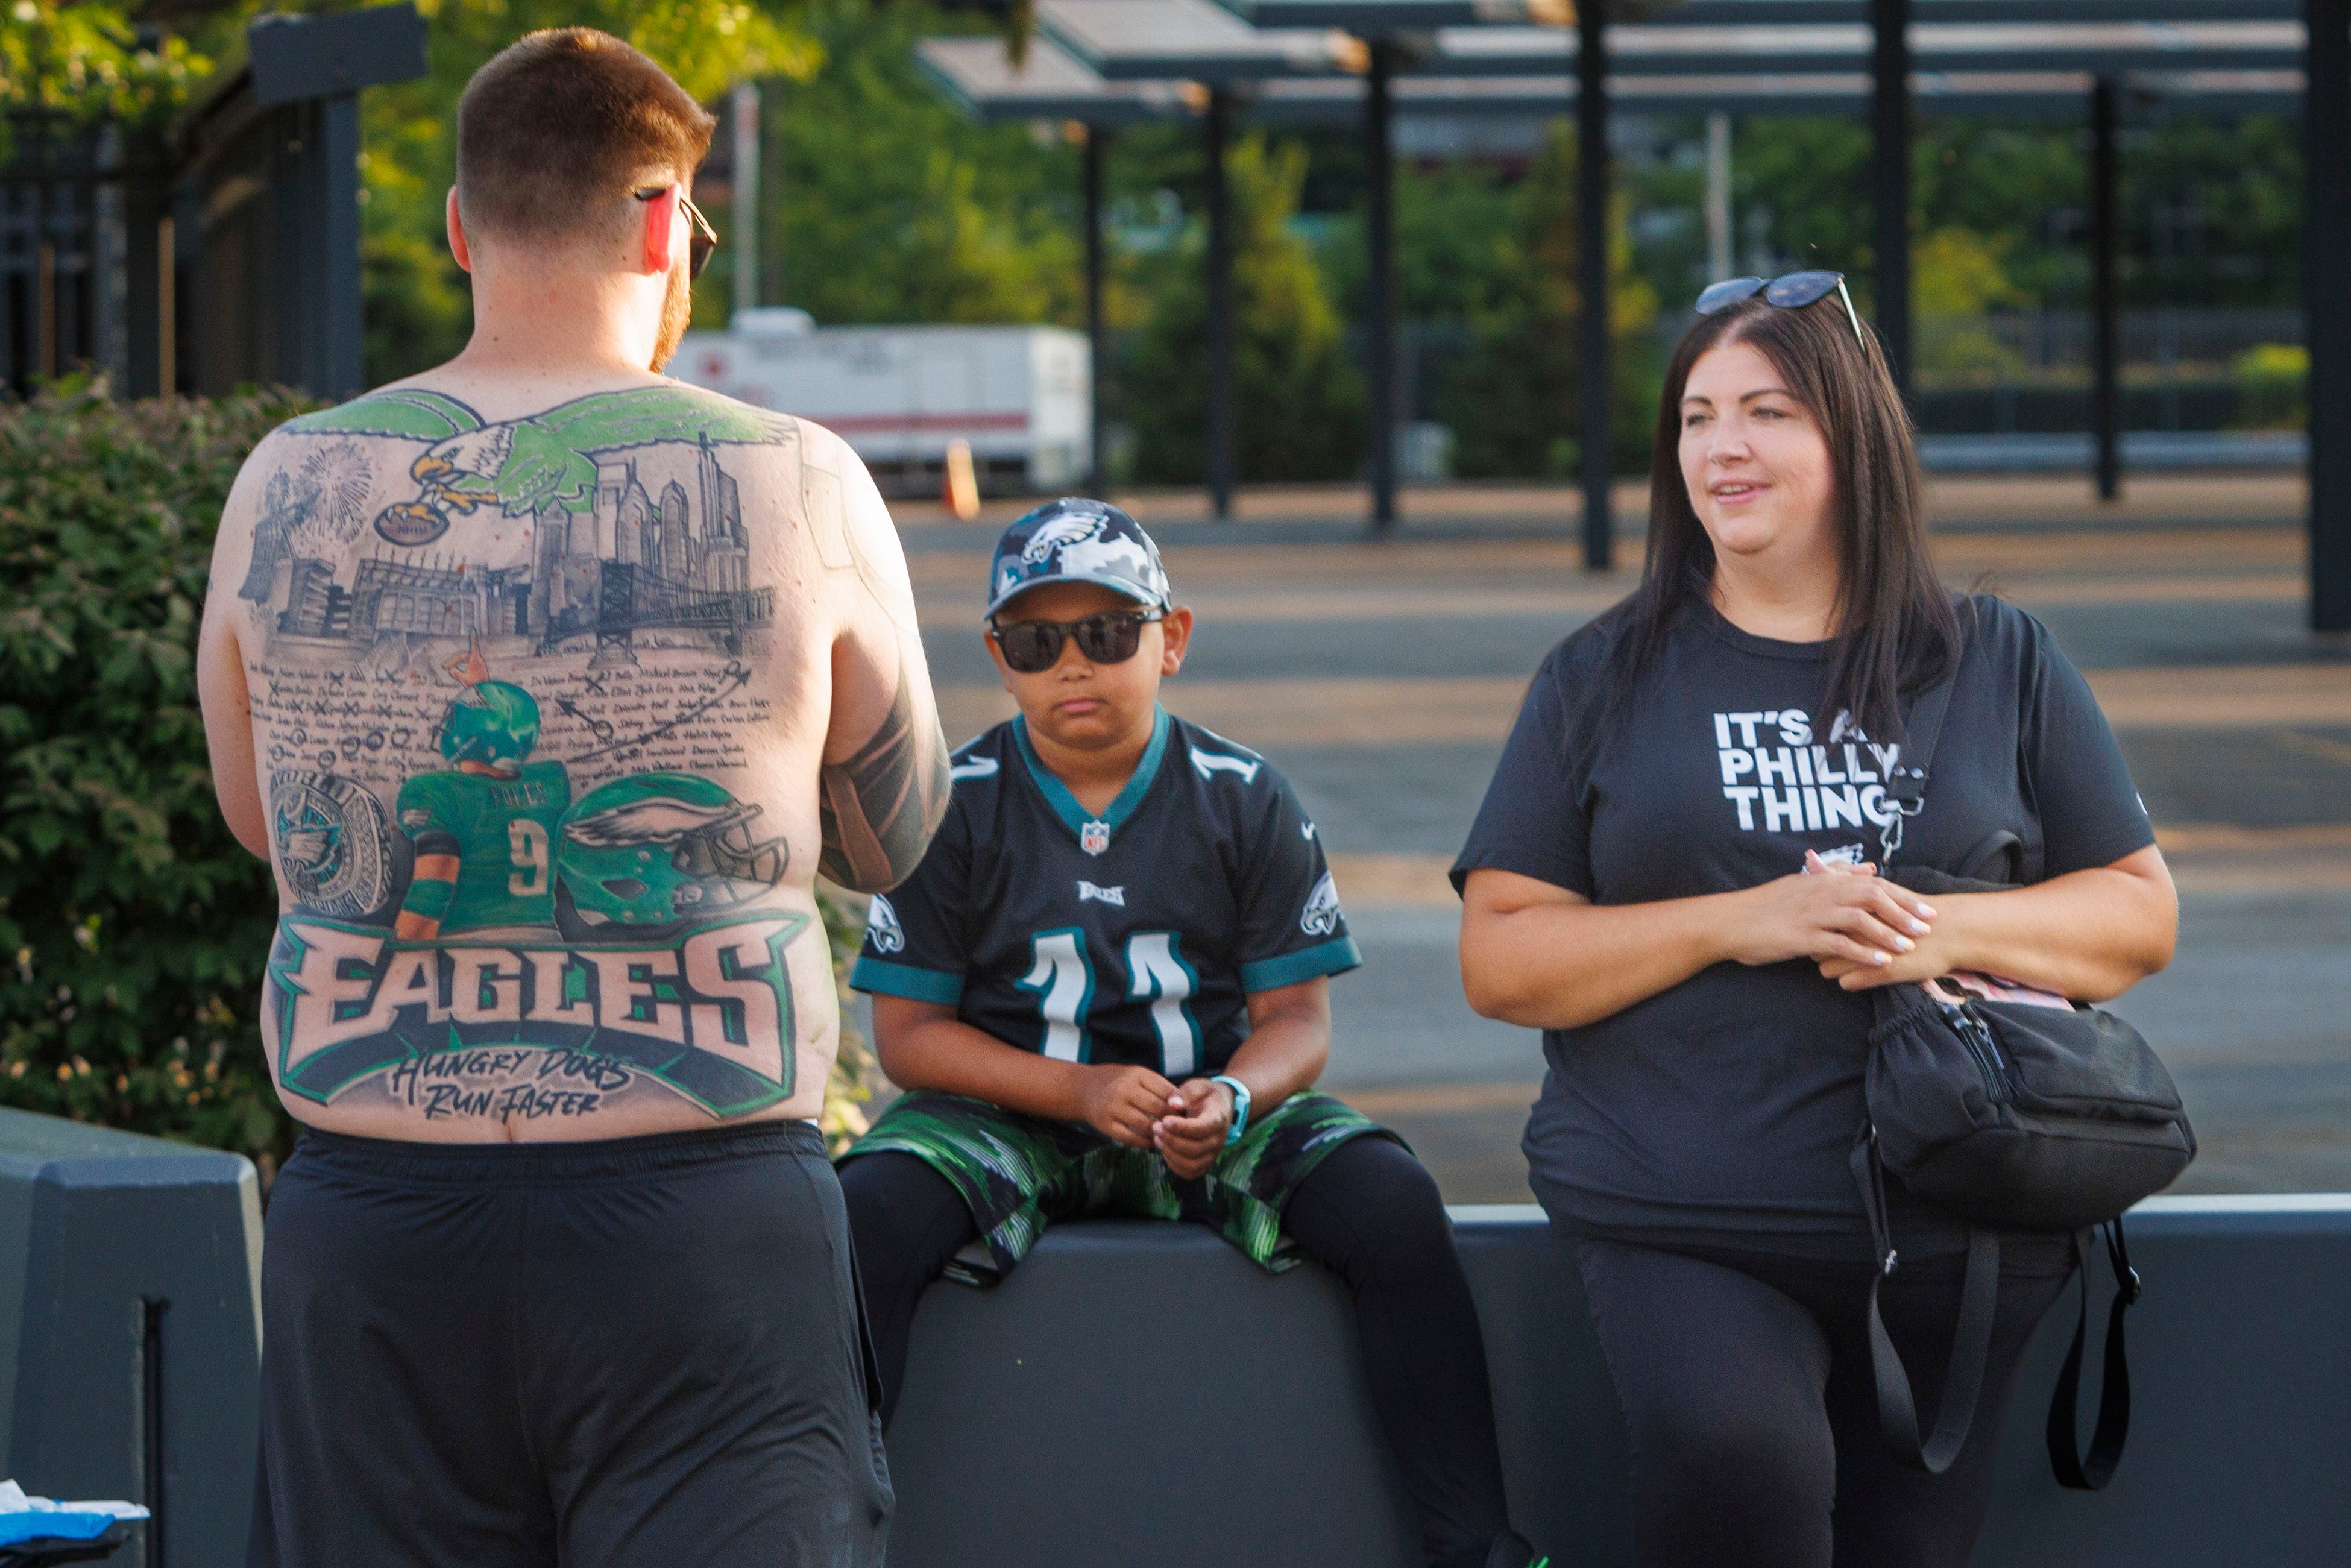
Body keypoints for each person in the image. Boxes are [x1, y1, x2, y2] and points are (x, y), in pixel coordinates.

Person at [195, 29, 949, 1567]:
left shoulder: (288, 480)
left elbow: (269, 824)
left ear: (461, 227)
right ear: (669, 222)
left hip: (375, 1211)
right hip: (704, 1220)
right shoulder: (797, 476)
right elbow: (897, 836)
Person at [1452, 272, 2178, 1568]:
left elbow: (2135, 914)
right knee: (1742, 1459)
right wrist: (1747, 917)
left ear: (1854, 433)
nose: (1721, 447)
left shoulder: (1999, 657)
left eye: (1768, 411)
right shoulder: (1600, 674)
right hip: (1684, 1205)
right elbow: (1503, 954)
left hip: (1962, 1218)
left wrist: (1940, 932)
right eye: (1695, 416)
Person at [837, 499, 1546, 1568]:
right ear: (999, 656)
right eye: (1038, 641)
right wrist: (1073, 1095)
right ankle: (826, 1532)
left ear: (1172, 638)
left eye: (1108, 633)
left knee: (1394, 1204)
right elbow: (909, 1038)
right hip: (1013, 1114)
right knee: (863, 1216)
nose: (1074, 664)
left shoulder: (1242, 795)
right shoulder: (954, 802)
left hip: (1203, 1108)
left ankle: (1476, 1543)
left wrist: (1236, 1096)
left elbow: (1298, 1018)